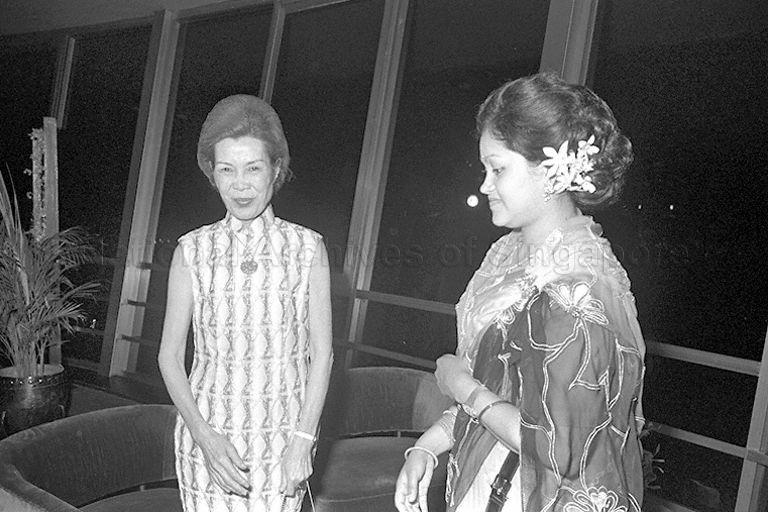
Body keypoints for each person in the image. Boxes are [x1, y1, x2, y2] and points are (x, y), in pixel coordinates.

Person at [394, 72, 646, 512]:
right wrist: (427, 447)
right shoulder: (509, 254)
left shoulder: (576, 287)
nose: (484, 185)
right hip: (490, 475)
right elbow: (502, 386)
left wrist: (461, 387)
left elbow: (558, 450)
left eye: (498, 169)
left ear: (549, 171)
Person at [158, 94, 333, 512]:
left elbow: (322, 355)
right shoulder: (191, 251)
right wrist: (205, 439)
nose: (240, 184)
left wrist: (303, 441)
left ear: (276, 170)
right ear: (212, 174)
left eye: (253, 168)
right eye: (226, 169)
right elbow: (169, 357)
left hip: (284, 446)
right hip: (210, 444)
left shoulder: (308, 248)